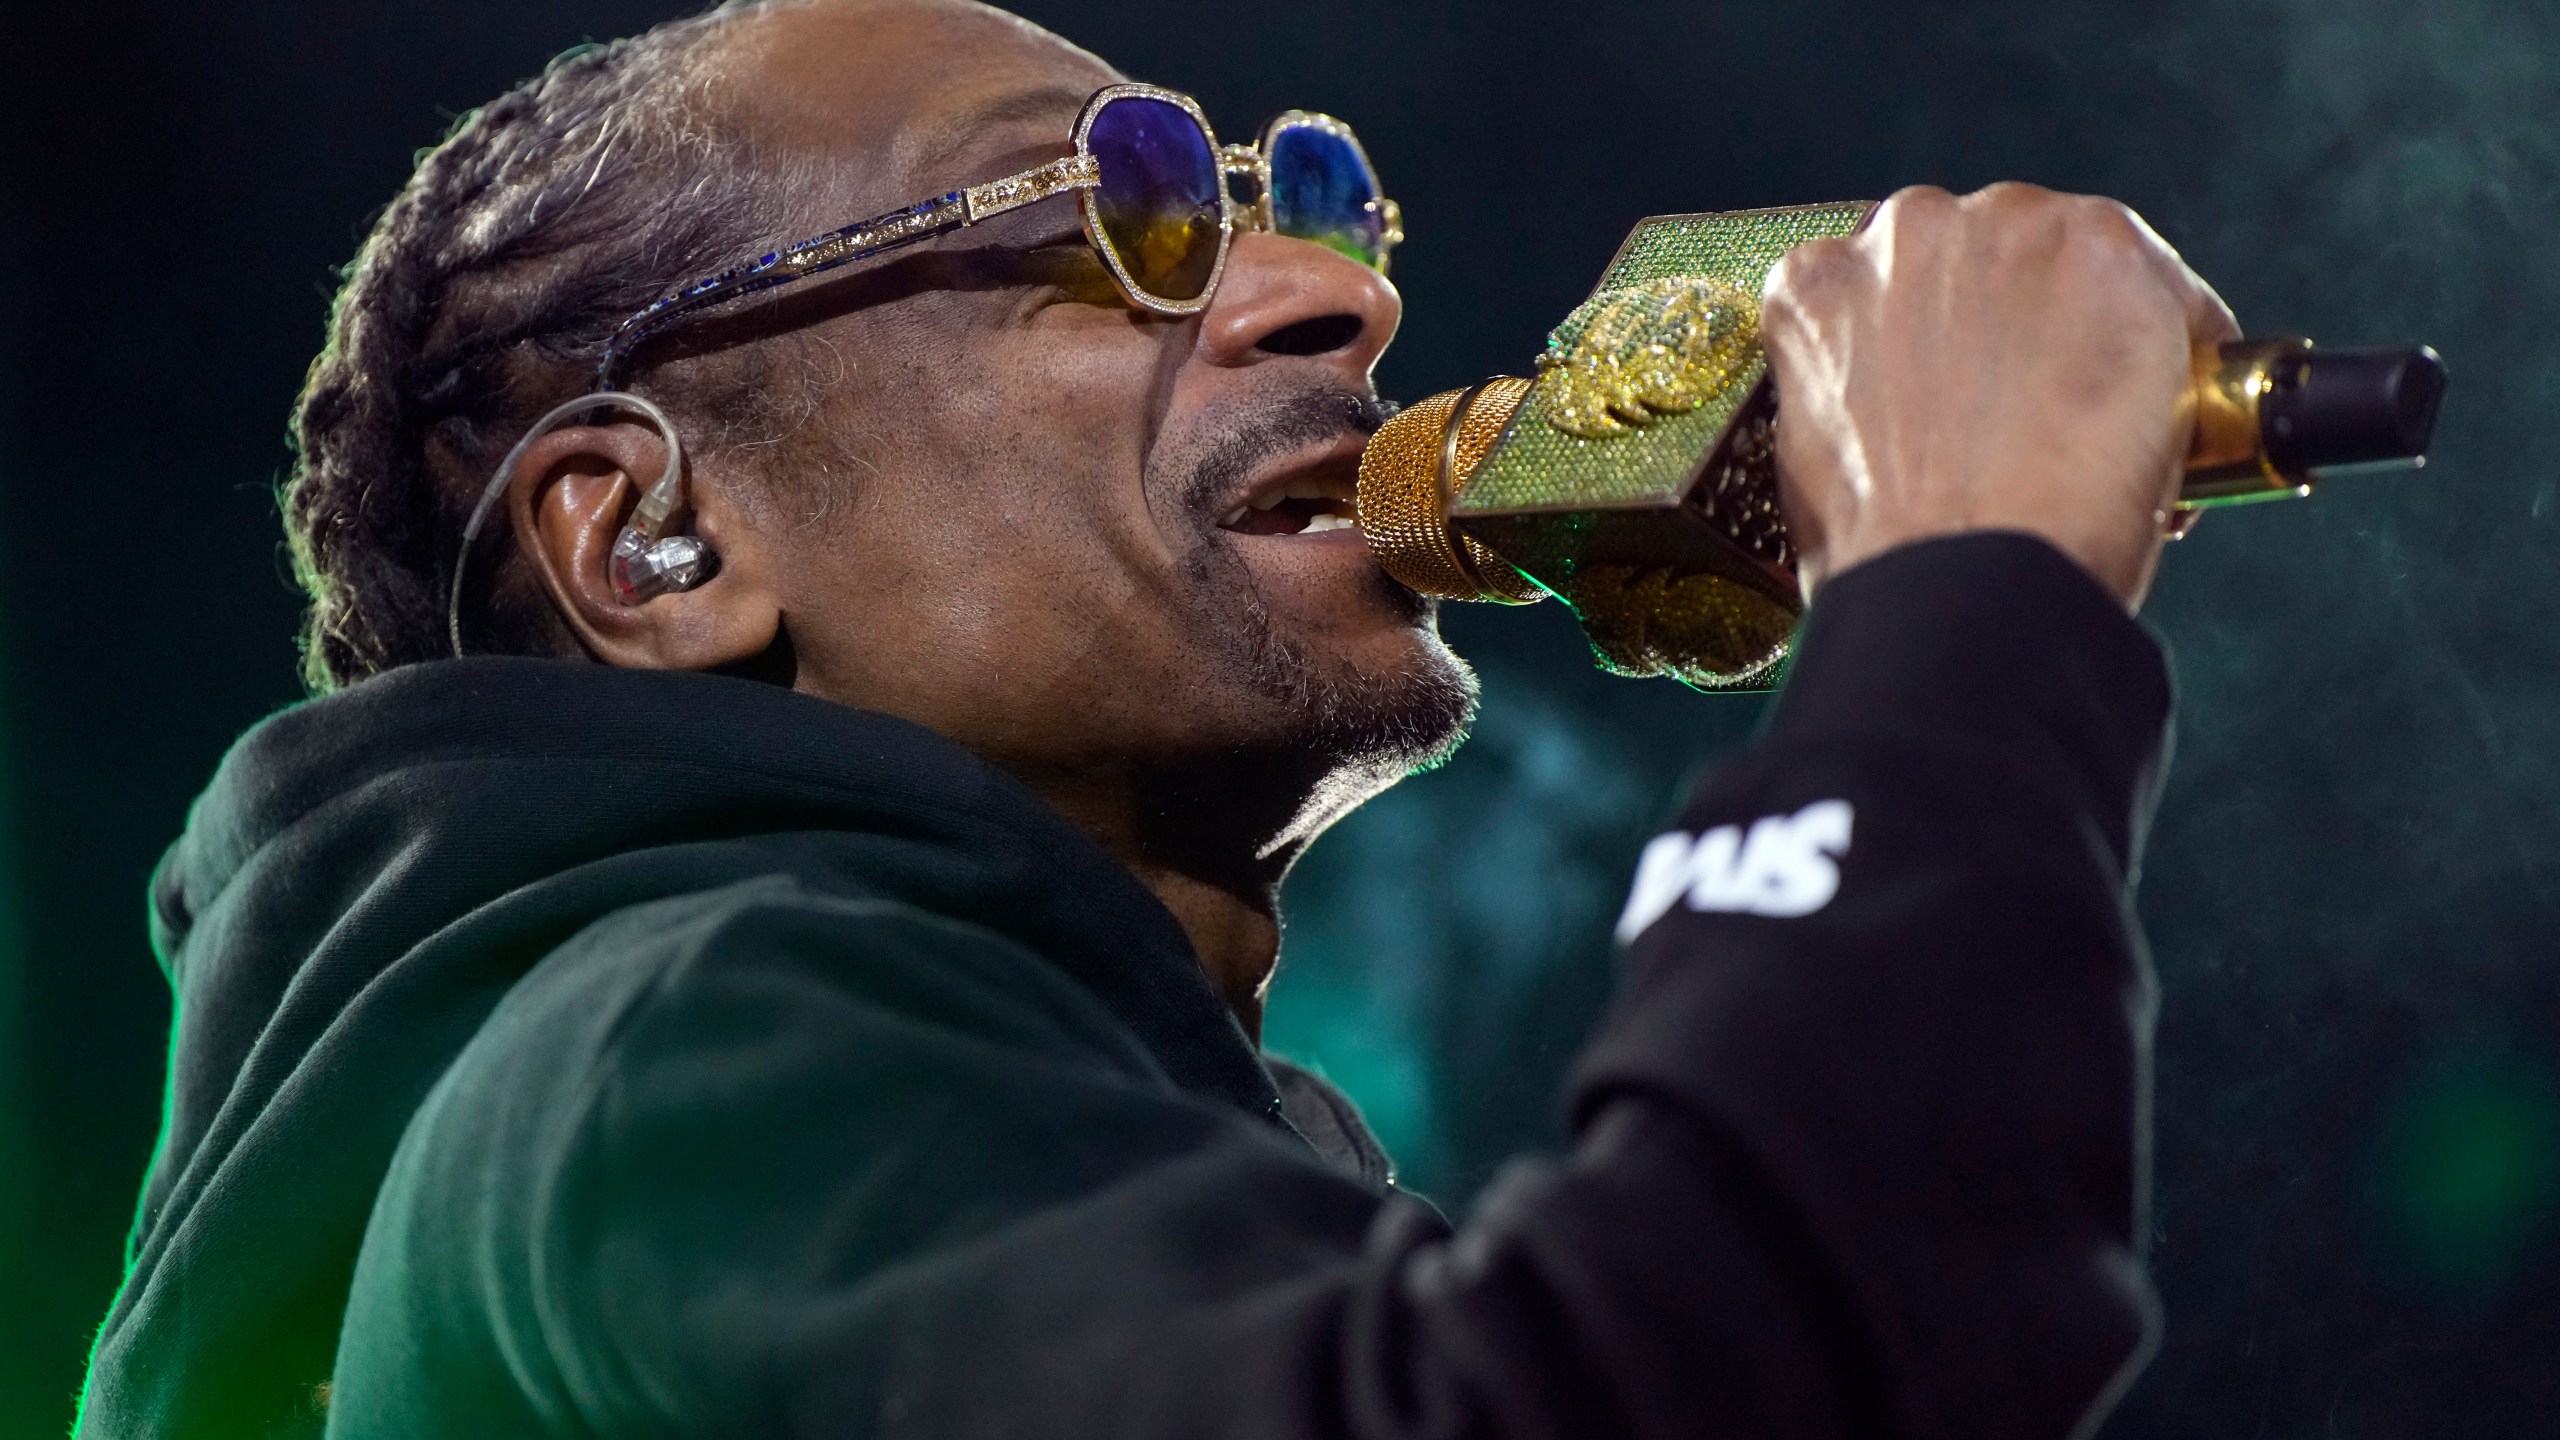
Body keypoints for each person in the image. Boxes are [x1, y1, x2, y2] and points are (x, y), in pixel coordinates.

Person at [75, 0, 2234, 1435]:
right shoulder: (682, 1047)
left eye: (1292, 203)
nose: (1340, 295)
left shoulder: (882, 1112)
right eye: (1116, 213)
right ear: (655, 542)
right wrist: (1959, 630)